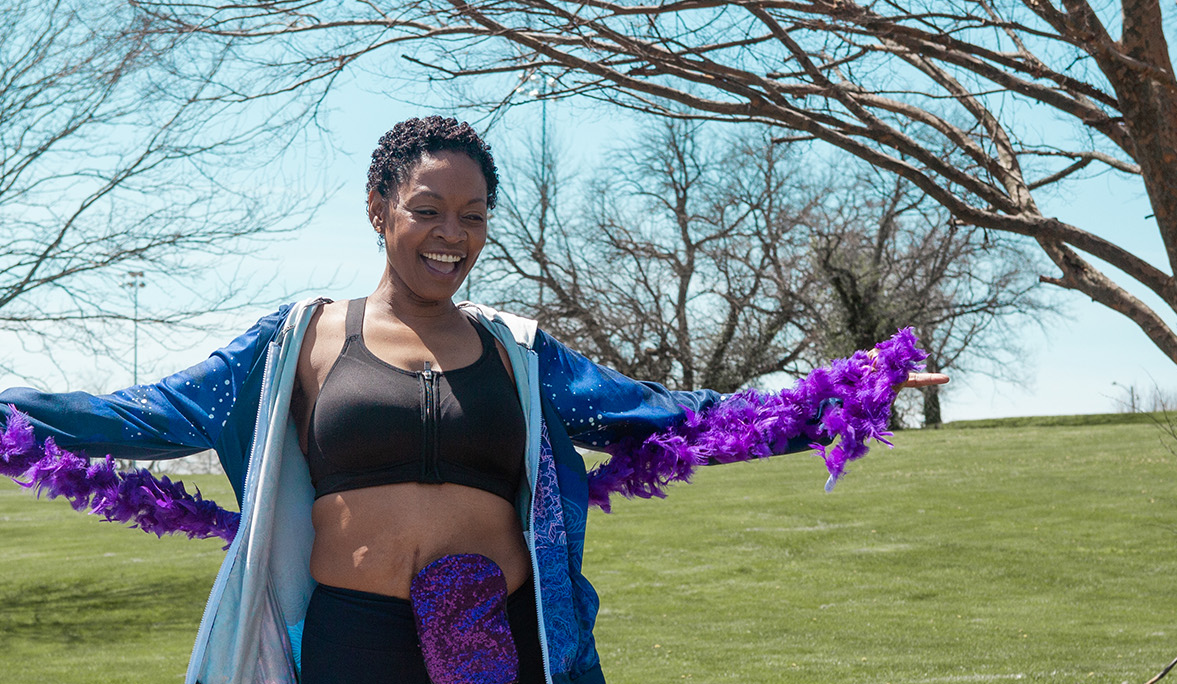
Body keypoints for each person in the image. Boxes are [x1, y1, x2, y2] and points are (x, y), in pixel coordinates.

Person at [0, 116, 948, 684]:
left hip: (498, 636)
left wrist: (851, 395)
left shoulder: (520, 352)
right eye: (427, 210)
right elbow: (142, 417)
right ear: (379, 210)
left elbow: (680, 417)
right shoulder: (301, 336)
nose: (451, 234)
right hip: (352, 633)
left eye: (473, 215)